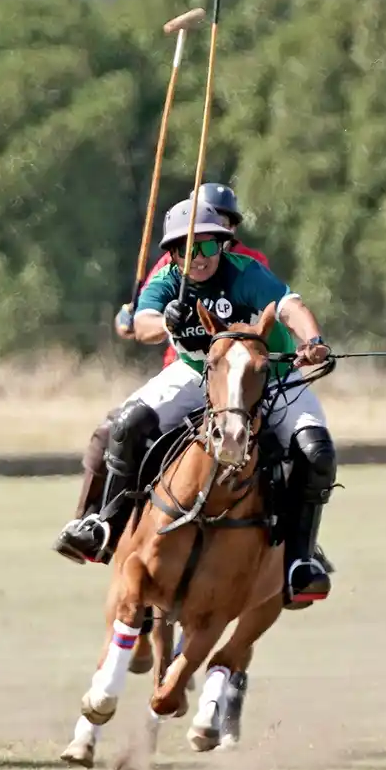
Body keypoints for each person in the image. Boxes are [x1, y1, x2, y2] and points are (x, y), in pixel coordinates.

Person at [54, 199, 337, 609]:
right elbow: (141, 325)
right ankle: (104, 526)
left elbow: (289, 306)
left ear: (222, 245)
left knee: (316, 450)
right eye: (187, 250)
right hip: (198, 371)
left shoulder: (245, 273)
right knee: (127, 424)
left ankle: (300, 562)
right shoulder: (168, 281)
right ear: (172, 253)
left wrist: (312, 341)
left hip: (270, 375)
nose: (199, 258)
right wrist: (166, 321)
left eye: (207, 246)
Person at [116, 183, 266, 370]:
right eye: (203, 221)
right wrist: (135, 316)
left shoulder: (251, 261)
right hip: (183, 360)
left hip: (236, 361)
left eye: (221, 223)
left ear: (233, 227)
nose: (210, 229)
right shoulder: (172, 260)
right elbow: (146, 308)